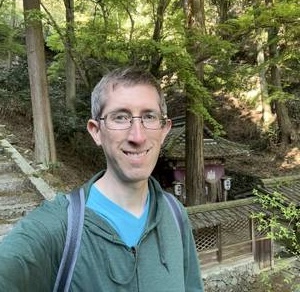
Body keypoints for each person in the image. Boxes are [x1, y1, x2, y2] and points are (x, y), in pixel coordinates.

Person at [0, 67, 204, 291]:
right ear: (96, 131)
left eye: (149, 117)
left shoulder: (174, 214)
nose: (137, 136)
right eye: (120, 117)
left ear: (164, 130)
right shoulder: (57, 229)